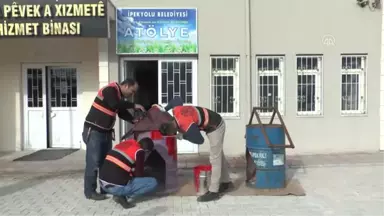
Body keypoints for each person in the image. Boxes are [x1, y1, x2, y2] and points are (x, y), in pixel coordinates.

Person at [158, 97, 234, 202]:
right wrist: (165, 109)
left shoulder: (186, 124)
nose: (172, 135)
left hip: (216, 126)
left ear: (172, 129)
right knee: (218, 154)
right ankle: (226, 182)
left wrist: (182, 136)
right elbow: (177, 100)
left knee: (214, 158)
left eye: (171, 134)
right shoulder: (176, 111)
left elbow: (199, 140)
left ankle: (214, 191)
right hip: (212, 120)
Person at [82, 79, 145, 200]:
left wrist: (134, 120)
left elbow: (121, 112)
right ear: (126, 86)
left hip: (106, 132)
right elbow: (115, 104)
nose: (132, 95)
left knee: (105, 162)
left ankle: (104, 189)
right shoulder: (110, 90)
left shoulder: (118, 96)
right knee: (94, 163)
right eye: (132, 91)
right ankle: (90, 192)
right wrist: (134, 105)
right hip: (94, 131)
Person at [99, 137, 158, 209]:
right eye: (148, 153)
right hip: (115, 188)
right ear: (147, 151)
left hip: (103, 185)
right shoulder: (140, 152)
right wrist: (145, 170)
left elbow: (123, 165)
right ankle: (121, 195)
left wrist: (133, 170)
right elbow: (139, 175)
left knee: (126, 176)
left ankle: (119, 193)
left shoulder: (125, 144)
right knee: (153, 182)